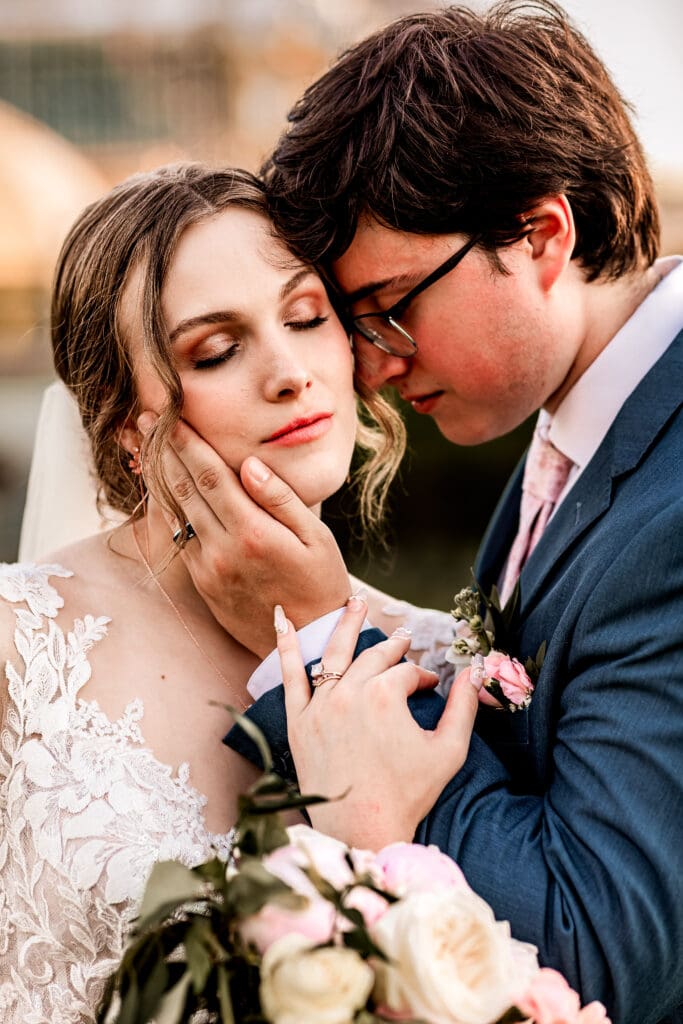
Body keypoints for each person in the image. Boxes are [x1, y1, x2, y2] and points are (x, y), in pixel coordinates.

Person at [153, 5, 683, 1024]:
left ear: (539, 233)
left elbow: (594, 946)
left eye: (392, 304)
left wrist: (321, 639)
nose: (373, 364)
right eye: (350, 323)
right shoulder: (587, 418)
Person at [0, 163, 476, 1022]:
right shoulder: (18, 642)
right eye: (216, 351)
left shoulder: (438, 659)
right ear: (124, 425)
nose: (291, 372)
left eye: (305, 317)